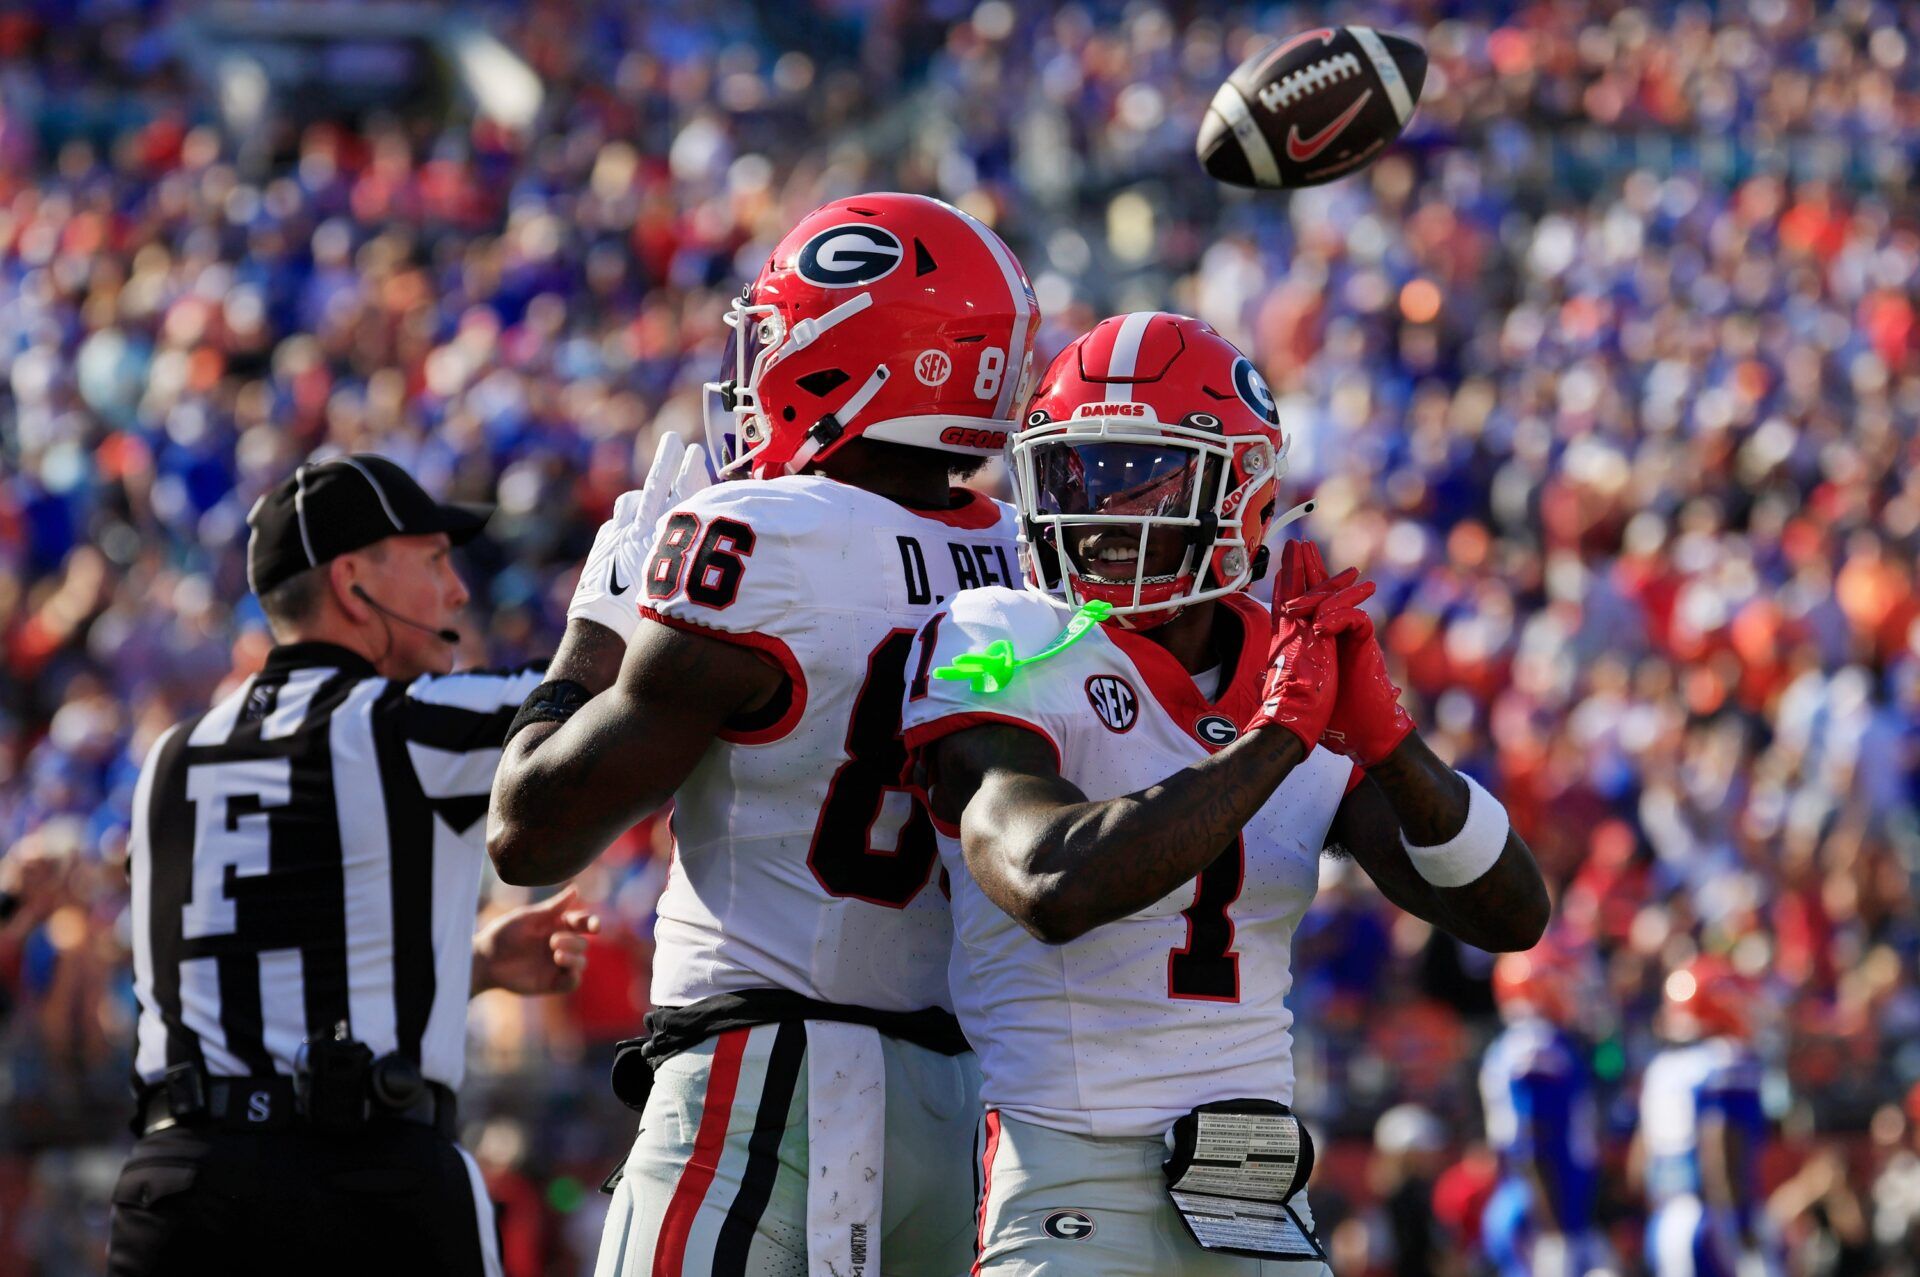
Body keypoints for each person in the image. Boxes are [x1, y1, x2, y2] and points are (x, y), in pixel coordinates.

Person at [898, 312, 1550, 1275]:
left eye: (1134, 476)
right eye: (1075, 472)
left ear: (1239, 493)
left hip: (1250, 1180)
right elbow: (1050, 883)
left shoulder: (1290, 658)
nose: (1098, 509)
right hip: (1065, 1164)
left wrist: (1394, 746)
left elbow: (1509, 912)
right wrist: (1276, 737)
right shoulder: (1000, 633)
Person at [487, 192, 1040, 1276]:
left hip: (767, 1080)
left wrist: (594, 632)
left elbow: (529, 828)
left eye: (781, 333)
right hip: (949, 1103)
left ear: (864, 357)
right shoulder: (1023, 556)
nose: (761, 364)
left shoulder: (758, 537)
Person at [111, 454, 600, 1277]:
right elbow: (608, 702)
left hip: (180, 1189)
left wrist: (462, 967)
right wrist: (611, 604)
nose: (456, 590)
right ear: (352, 582)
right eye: (434, 560)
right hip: (362, 1186)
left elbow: (261, 947)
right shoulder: (404, 722)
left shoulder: (170, 755)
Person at [1633, 956, 1782, 1277]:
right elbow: (1721, 1151)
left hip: (1666, 1218)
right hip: (1712, 1220)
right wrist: (1742, 1230)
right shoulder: (1727, 1063)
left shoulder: (1663, 1069)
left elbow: (1640, 1162)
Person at [1479, 943, 1611, 1277]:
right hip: (1538, 1207)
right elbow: (1532, 1141)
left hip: (1532, 1201)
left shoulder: (1519, 1043)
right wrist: (1552, 1228)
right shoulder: (1538, 1047)